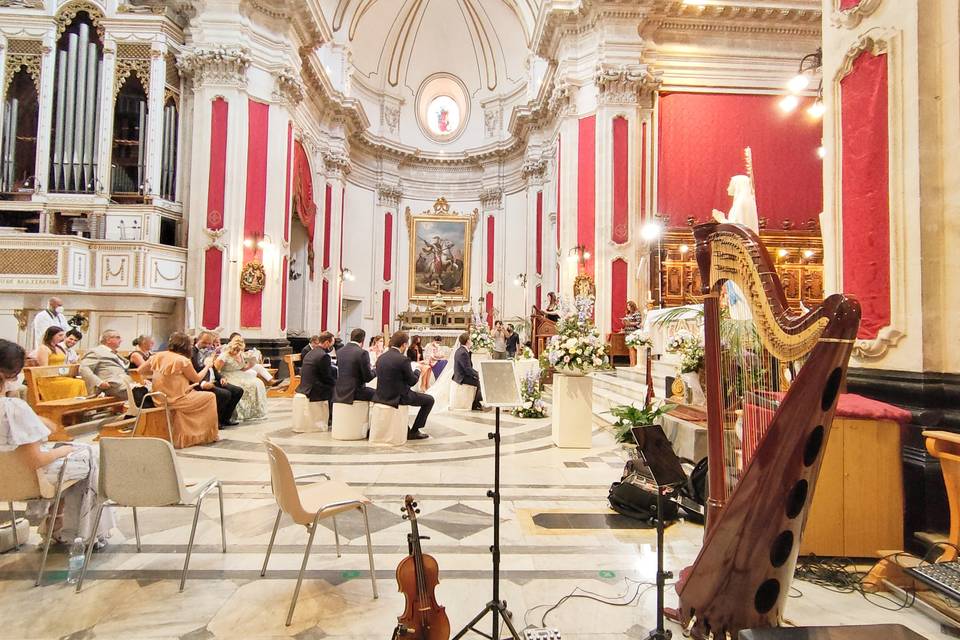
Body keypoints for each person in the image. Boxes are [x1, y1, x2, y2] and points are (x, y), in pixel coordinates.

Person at [0, 339, 115, 547]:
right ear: (7, 376)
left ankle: (56, 519)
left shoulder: (15, 408)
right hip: (24, 479)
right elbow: (36, 460)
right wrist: (62, 450)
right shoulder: (13, 408)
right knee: (89, 456)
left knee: (79, 455)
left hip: (6, 474)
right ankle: (80, 532)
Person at [138, 332, 220, 449]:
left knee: (195, 393)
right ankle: (203, 435)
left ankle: (186, 433)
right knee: (210, 397)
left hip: (158, 398)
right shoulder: (182, 360)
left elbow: (141, 370)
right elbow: (196, 378)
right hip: (176, 400)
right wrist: (207, 365)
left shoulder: (158, 355)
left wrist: (158, 375)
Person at [372, 331, 433, 440]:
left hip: (381, 395)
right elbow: (412, 381)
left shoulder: (381, 357)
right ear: (404, 345)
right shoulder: (403, 360)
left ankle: (406, 428)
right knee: (429, 400)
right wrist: (418, 370)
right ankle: (415, 431)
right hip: (398, 397)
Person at [192, 331, 243, 428]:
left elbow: (213, 368)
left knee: (238, 391)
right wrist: (202, 383)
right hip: (201, 383)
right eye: (204, 343)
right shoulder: (192, 353)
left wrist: (221, 378)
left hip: (213, 379)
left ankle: (225, 418)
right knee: (225, 394)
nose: (207, 346)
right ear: (198, 340)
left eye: (210, 343)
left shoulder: (209, 351)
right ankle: (215, 421)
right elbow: (193, 372)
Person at [215, 335, 268, 422]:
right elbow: (216, 369)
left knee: (258, 382)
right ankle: (238, 414)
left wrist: (252, 364)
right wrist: (221, 378)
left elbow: (242, 368)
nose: (236, 352)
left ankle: (253, 412)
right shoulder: (224, 356)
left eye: (239, 350)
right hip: (227, 375)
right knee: (245, 385)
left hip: (239, 373)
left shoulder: (240, 354)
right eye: (235, 350)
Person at [34, 326, 88, 401]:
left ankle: (77, 407)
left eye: (63, 335)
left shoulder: (59, 348)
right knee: (77, 383)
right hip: (48, 379)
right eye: (60, 335)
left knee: (81, 382)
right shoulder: (43, 348)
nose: (62, 338)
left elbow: (64, 365)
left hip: (59, 376)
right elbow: (43, 369)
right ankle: (69, 406)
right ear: (52, 335)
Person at [78, 330, 133, 401]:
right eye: (118, 337)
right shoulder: (96, 352)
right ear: (108, 340)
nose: (121, 340)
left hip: (125, 383)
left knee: (147, 391)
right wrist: (99, 382)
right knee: (142, 394)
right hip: (112, 385)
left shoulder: (115, 353)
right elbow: (83, 369)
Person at [297, 332, 337, 424]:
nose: (332, 347)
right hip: (313, 389)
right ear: (327, 343)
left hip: (304, 385)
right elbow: (326, 377)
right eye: (332, 344)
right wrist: (336, 383)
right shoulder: (324, 355)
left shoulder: (311, 352)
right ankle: (330, 418)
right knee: (335, 389)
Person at [333, 328, 375, 404]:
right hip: (354, 392)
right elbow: (368, 378)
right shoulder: (362, 353)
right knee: (380, 395)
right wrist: (376, 370)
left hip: (339, 391)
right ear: (363, 340)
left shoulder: (340, 351)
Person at [453, 331, 484, 411]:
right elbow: (467, 369)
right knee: (480, 383)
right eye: (470, 340)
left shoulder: (462, 350)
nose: (471, 341)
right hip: (462, 377)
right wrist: (479, 375)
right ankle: (476, 404)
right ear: (467, 341)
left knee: (478, 380)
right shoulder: (463, 352)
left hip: (461, 374)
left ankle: (477, 403)